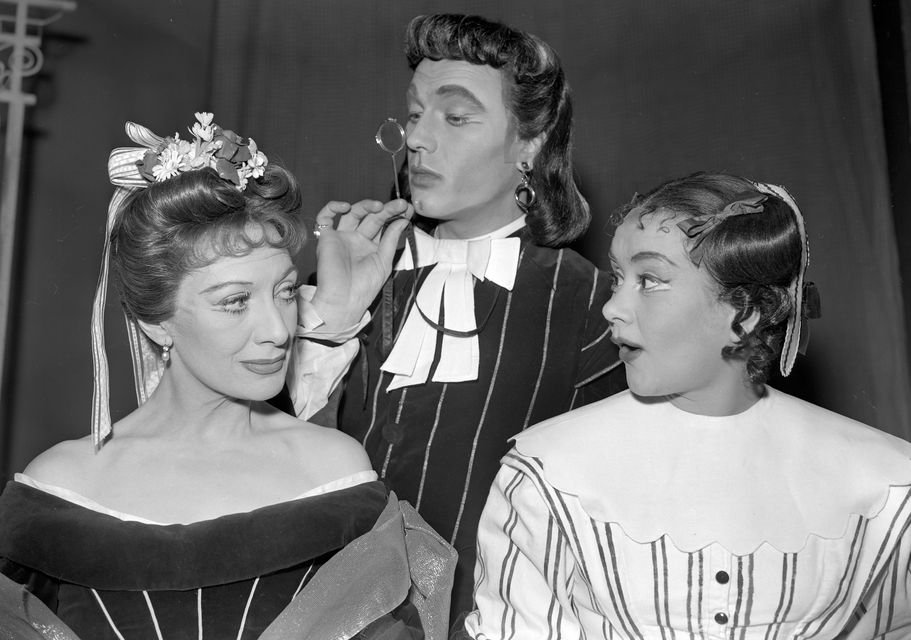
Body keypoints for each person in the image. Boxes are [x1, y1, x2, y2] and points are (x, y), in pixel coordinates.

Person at [0, 113, 455, 639]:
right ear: (156, 319)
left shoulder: (333, 471)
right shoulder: (59, 488)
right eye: (235, 302)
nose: (277, 331)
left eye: (285, 292)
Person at [464, 172, 911, 638]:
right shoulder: (547, 474)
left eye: (650, 280)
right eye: (618, 278)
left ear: (744, 311)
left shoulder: (885, 485)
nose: (611, 308)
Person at [318, 13, 626, 624]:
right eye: (413, 116)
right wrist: (331, 317)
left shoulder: (589, 304)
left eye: (455, 118)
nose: (419, 140)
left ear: (530, 144)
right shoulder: (352, 270)